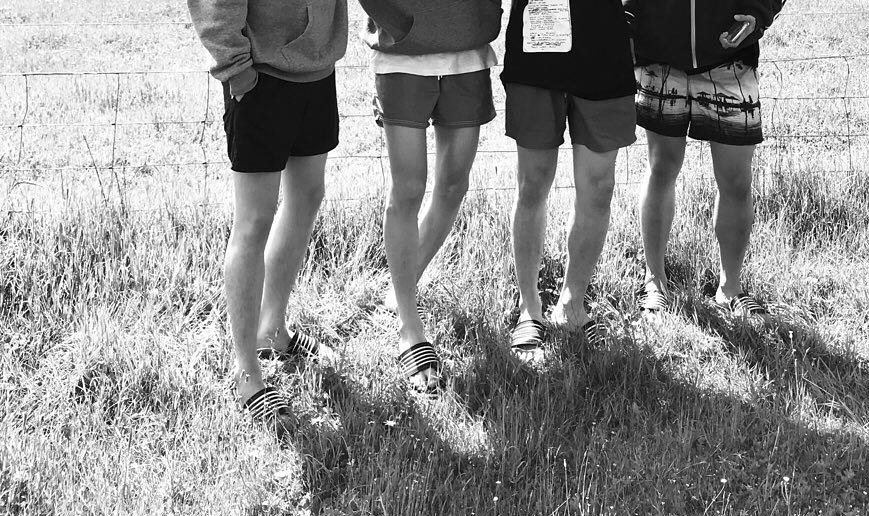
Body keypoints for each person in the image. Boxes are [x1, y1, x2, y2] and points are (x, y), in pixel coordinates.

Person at [188, 0, 348, 433]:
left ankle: (272, 330)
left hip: (318, 72)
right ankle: (246, 373)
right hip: (258, 76)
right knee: (254, 220)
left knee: (308, 196)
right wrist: (236, 69)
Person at [358, 0, 503, 393]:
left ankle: (400, 288)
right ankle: (409, 325)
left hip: (468, 54)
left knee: (454, 185)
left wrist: (483, 17)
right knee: (407, 189)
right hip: (402, 58)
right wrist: (401, 25)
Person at [623, 0, 785, 316]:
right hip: (658, 60)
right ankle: (655, 283)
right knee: (661, 168)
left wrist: (757, 15)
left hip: (731, 62)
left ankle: (731, 289)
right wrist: (627, 19)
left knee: (736, 180)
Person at [500, 0, 637, 357]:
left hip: (605, 54)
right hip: (535, 53)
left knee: (599, 188)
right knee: (532, 183)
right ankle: (529, 308)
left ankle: (572, 304)